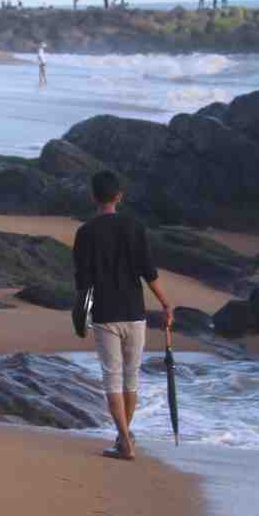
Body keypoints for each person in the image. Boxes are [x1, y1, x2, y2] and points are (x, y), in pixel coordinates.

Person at [74, 170, 172, 461]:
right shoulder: (134, 227)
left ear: (93, 197)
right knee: (131, 379)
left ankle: (124, 440)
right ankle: (124, 436)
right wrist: (166, 304)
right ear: (119, 197)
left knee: (112, 379)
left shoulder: (86, 232)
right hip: (134, 312)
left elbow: (83, 283)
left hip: (105, 314)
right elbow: (148, 271)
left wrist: (81, 316)